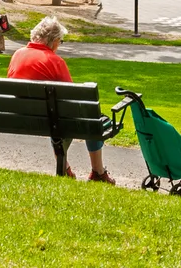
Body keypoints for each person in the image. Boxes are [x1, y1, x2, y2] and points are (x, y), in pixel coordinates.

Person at [8, 17, 115, 184]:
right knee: (90, 117)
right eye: (60, 42)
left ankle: (64, 168)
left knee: (56, 116)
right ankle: (98, 172)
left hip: (23, 116)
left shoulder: (17, 54)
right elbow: (73, 96)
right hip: (51, 119)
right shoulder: (54, 61)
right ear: (54, 41)